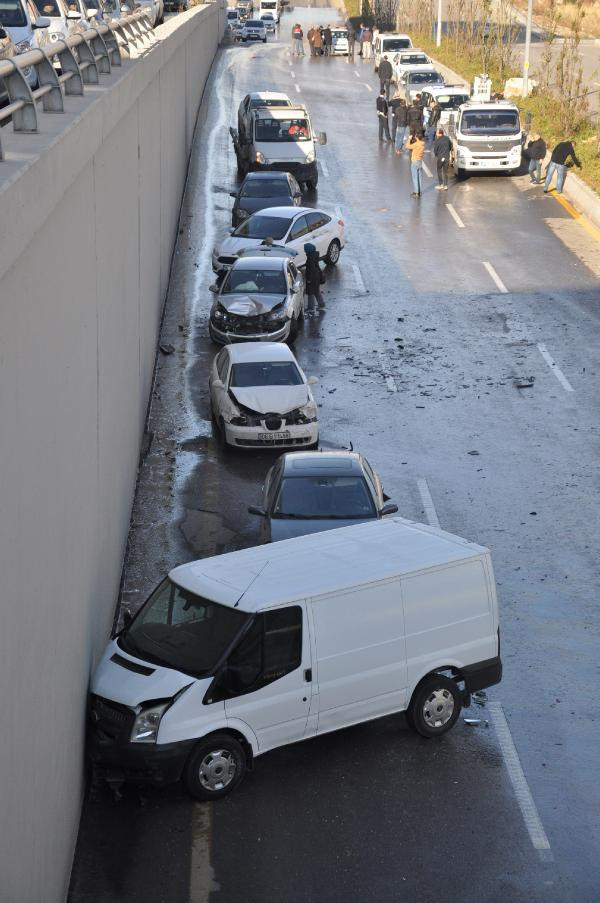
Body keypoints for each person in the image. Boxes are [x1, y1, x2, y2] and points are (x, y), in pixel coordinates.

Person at [304, 243, 325, 314]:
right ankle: (322, 304)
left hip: (312, 278)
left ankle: (311, 308)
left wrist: (309, 279)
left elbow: (311, 270)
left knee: (310, 293)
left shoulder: (310, 258)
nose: (304, 251)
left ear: (308, 250)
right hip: (316, 277)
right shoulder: (314, 256)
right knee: (316, 291)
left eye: (305, 250)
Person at [408, 129, 426, 197]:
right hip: (420, 161)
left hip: (414, 161)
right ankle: (419, 191)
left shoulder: (416, 144)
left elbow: (407, 146)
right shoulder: (422, 144)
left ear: (417, 137)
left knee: (415, 177)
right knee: (419, 177)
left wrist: (409, 139)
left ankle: (416, 192)